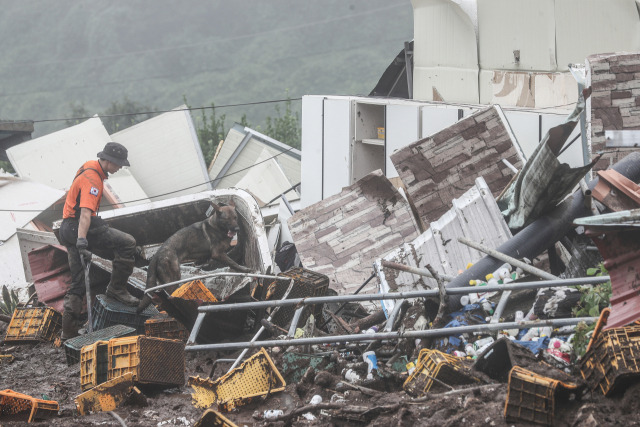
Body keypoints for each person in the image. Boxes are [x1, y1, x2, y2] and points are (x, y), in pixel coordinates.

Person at [59, 142, 140, 339]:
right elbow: (86, 214)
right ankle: (116, 288)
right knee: (128, 242)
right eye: (119, 164)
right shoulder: (93, 181)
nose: (120, 167)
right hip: (79, 227)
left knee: (77, 282)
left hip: (67, 227)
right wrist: (82, 242)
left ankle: (67, 333)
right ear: (109, 161)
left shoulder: (88, 166)